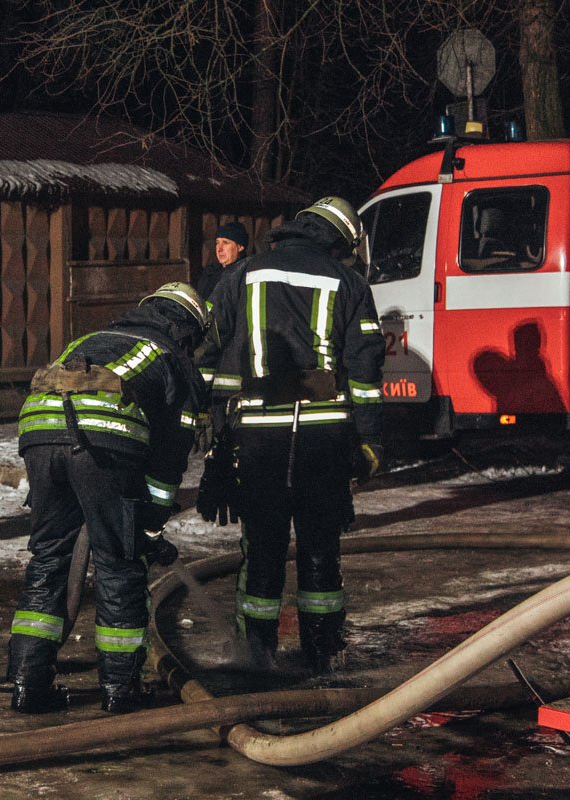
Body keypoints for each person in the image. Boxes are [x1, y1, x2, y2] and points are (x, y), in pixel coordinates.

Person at [196, 197, 385, 674]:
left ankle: (255, 655)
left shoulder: (244, 273)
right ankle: (322, 651)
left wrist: (215, 431)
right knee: (320, 546)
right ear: (340, 240)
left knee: (262, 546)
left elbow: (208, 345)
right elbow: (364, 369)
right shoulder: (350, 283)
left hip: (257, 437)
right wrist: (369, 441)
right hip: (325, 437)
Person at [8, 282, 210, 714]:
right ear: (188, 330)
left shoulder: (93, 339)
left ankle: (28, 683)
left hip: (38, 430)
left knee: (48, 558)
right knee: (118, 562)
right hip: (102, 438)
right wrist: (150, 528)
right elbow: (170, 459)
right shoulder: (174, 359)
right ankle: (120, 691)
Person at [197, 220, 249, 303]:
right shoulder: (210, 272)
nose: (219, 249)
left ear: (240, 247)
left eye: (225, 242)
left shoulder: (246, 273)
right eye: (217, 243)